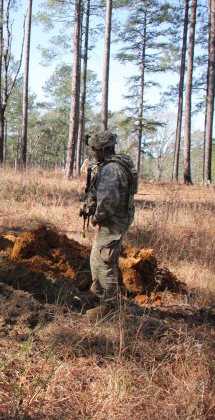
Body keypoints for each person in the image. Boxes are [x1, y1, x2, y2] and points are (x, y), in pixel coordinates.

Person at [82, 130, 136, 318]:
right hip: (114, 221)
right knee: (98, 259)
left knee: (104, 262)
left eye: (96, 149)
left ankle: (109, 308)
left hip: (112, 223)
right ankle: (100, 297)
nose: (94, 153)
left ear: (105, 149)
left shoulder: (112, 169)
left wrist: (96, 217)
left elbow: (108, 201)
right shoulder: (114, 165)